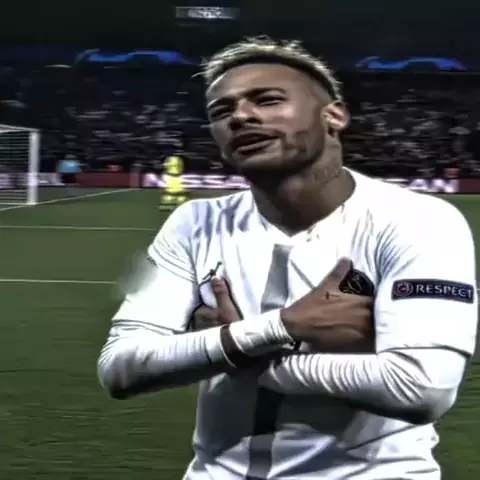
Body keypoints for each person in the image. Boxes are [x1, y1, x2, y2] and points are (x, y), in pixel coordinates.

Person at [97, 38, 478, 479]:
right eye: (222, 111)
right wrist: (278, 328)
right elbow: (120, 367)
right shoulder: (192, 223)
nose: (240, 116)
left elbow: (422, 388)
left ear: (334, 116)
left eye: (268, 100)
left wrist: (236, 352)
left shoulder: (419, 219)